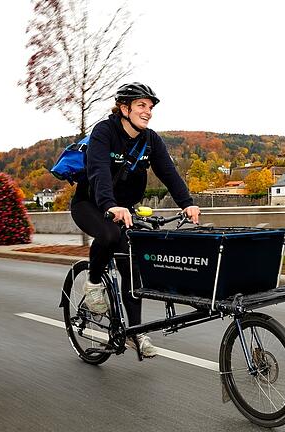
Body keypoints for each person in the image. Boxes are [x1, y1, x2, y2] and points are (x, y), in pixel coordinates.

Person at [71, 82, 200, 358]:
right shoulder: (104, 132)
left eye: (150, 107)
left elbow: (169, 174)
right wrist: (110, 205)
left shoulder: (150, 140)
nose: (148, 112)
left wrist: (187, 204)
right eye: (142, 105)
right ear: (124, 108)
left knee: (133, 265)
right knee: (108, 235)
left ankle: (136, 332)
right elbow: (98, 172)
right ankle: (93, 282)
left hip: (123, 210)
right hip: (90, 204)